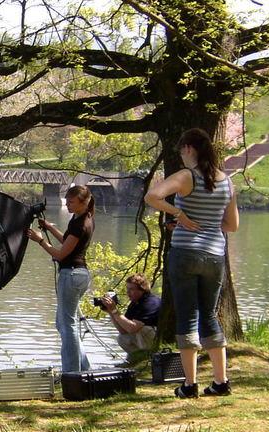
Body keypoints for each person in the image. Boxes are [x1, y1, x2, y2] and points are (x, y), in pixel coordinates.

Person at [145, 128, 239, 398]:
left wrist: (179, 214)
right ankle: (221, 381)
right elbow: (231, 226)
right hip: (214, 256)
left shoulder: (186, 176)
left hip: (185, 254)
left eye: (181, 151)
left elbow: (152, 196)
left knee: (187, 315)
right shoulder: (227, 182)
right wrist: (205, 224)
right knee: (209, 315)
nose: (181, 156)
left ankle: (189, 385)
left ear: (188, 148)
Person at [27, 185, 95, 373]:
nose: (68, 205)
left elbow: (61, 254)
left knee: (68, 325)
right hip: (79, 274)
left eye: (71, 202)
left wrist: (40, 240)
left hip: (72, 274)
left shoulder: (81, 223)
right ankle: (85, 368)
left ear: (85, 202)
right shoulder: (82, 218)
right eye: (67, 201)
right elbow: (67, 241)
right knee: (63, 323)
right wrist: (49, 227)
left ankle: (72, 372)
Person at [100, 273, 161, 364]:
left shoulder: (150, 302)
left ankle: (149, 358)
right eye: (127, 289)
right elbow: (123, 330)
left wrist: (115, 311)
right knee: (122, 337)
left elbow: (132, 328)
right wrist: (110, 311)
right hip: (148, 338)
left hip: (157, 337)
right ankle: (138, 359)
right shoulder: (134, 303)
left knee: (143, 330)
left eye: (131, 289)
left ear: (142, 289)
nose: (128, 292)